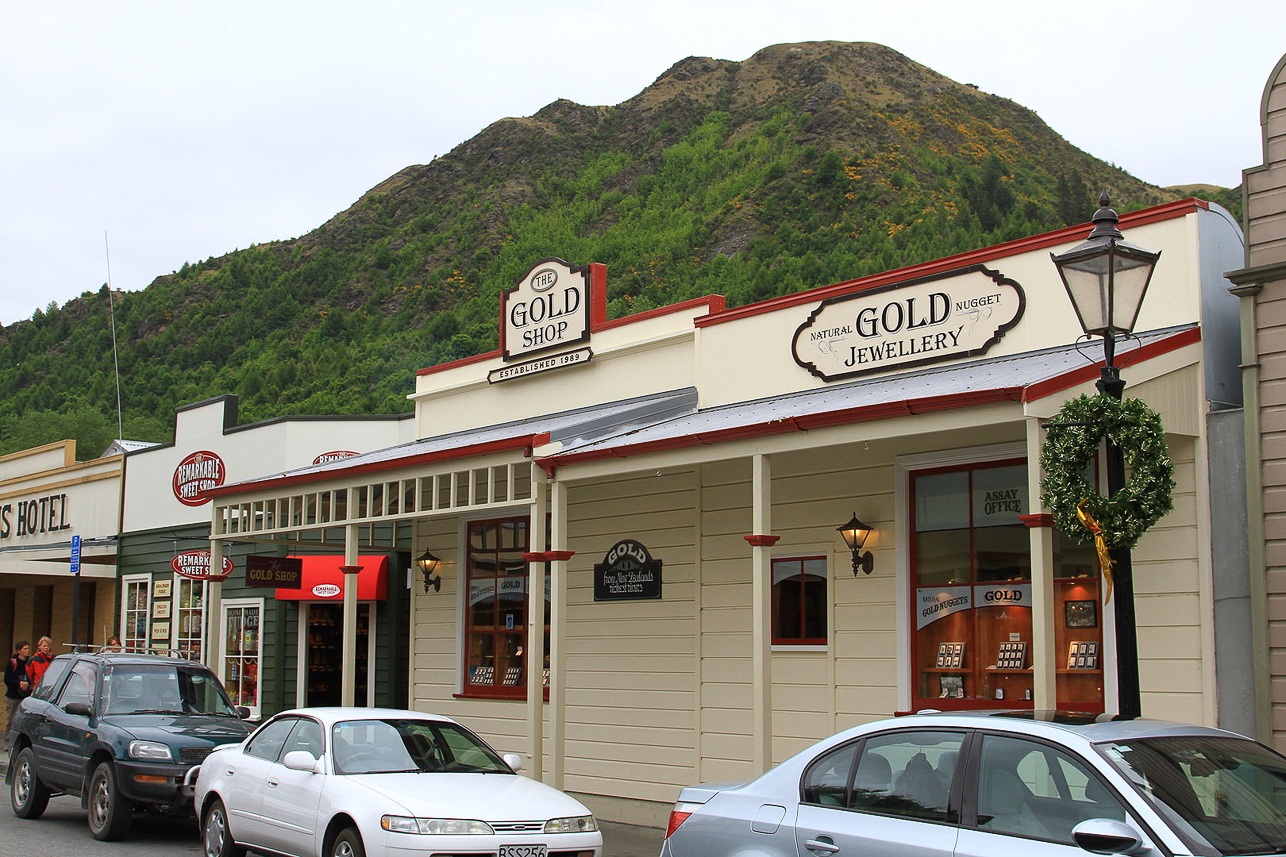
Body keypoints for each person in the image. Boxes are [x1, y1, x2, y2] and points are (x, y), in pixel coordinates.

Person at [4, 641, 32, 750]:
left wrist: (27, 684)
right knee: (11, 720)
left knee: (24, 720)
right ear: (19, 651)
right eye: (25, 649)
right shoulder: (13, 662)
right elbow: (7, 679)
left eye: (28, 648)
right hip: (13, 696)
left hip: (25, 696)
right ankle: (7, 742)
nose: (27, 651)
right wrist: (19, 684)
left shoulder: (30, 662)